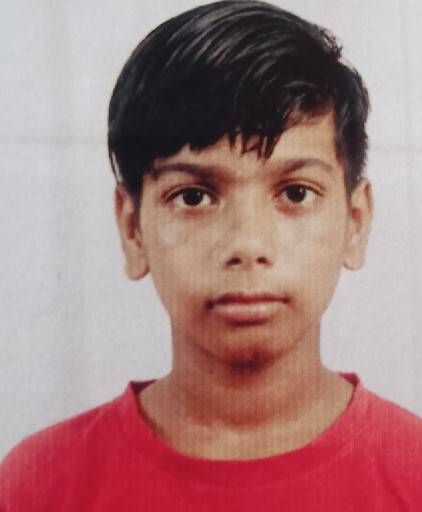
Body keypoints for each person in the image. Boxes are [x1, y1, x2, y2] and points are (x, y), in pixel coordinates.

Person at [1, 1, 421, 510]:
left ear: (355, 221)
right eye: (194, 197)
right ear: (132, 229)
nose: (247, 245)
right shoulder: (39, 485)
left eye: (295, 193)